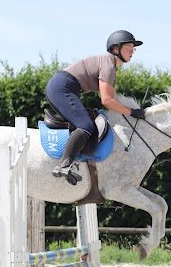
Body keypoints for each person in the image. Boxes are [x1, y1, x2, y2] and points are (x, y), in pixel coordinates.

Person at [45, 30, 148, 180]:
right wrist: (132, 112)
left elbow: (113, 100)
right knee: (86, 125)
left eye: (134, 48)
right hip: (62, 87)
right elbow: (107, 101)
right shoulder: (109, 65)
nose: (133, 51)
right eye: (129, 47)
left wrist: (131, 110)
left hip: (61, 86)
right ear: (116, 49)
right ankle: (64, 164)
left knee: (90, 119)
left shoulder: (110, 65)